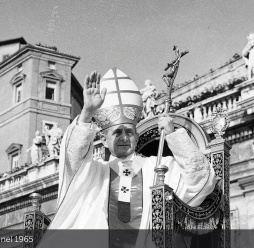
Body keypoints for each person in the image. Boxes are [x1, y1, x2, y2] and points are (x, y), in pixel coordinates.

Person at [38, 68, 216, 248]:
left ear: (137, 137)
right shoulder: (95, 173)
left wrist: (174, 136)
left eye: (129, 132)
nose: (124, 137)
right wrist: (86, 113)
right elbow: (72, 160)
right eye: (117, 132)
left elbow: (202, 180)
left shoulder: (160, 166)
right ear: (103, 140)